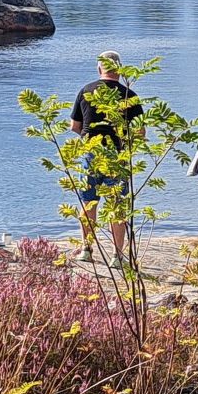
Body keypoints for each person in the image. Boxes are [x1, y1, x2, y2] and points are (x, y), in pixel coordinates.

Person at [68, 50, 140, 261]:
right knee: (117, 204)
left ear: (99, 68)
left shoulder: (86, 91)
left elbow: (75, 126)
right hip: (118, 154)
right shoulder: (130, 95)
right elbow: (139, 132)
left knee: (89, 202)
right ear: (119, 69)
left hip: (91, 152)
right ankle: (118, 255)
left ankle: (86, 250)